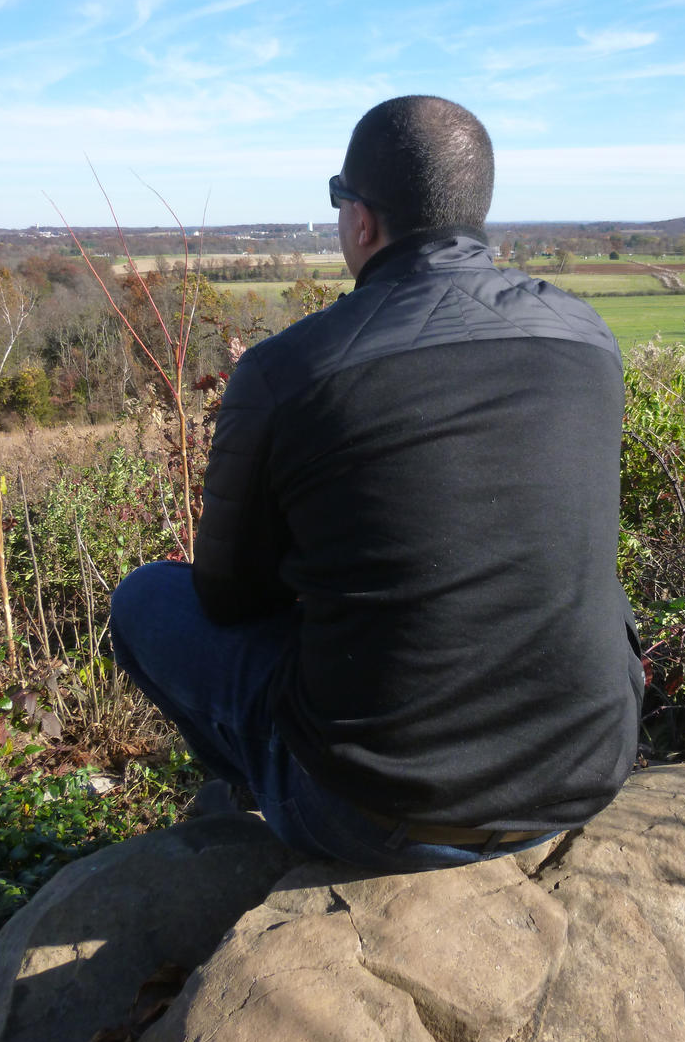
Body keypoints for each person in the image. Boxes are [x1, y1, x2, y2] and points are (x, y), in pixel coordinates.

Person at [110, 95, 643, 872]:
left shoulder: (287, 372)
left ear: (362, 220)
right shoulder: (585, 335)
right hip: (585, 771)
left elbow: (228, 600)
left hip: (370, 813)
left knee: (144, 600)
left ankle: (257, 793)